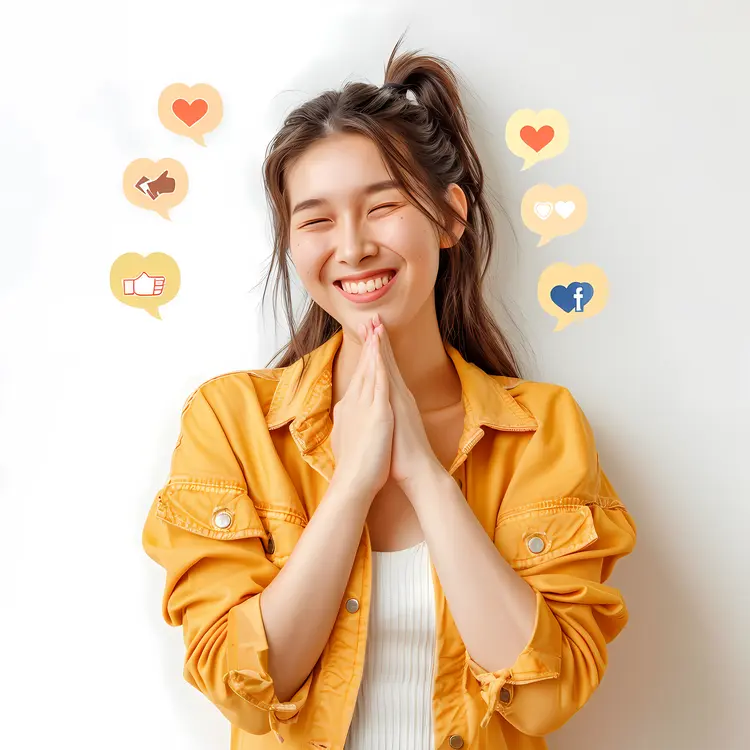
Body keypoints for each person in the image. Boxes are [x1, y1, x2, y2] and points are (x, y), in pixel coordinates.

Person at [142, 33, 637, 750]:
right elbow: (243, 687)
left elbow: (545, 699)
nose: (351, 247)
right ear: (292, 243)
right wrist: (351, 486)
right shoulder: (231, 421)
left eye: (382, 206)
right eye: (315, 219)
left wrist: (426, 479)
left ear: (450, 216)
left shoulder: (543, 430)